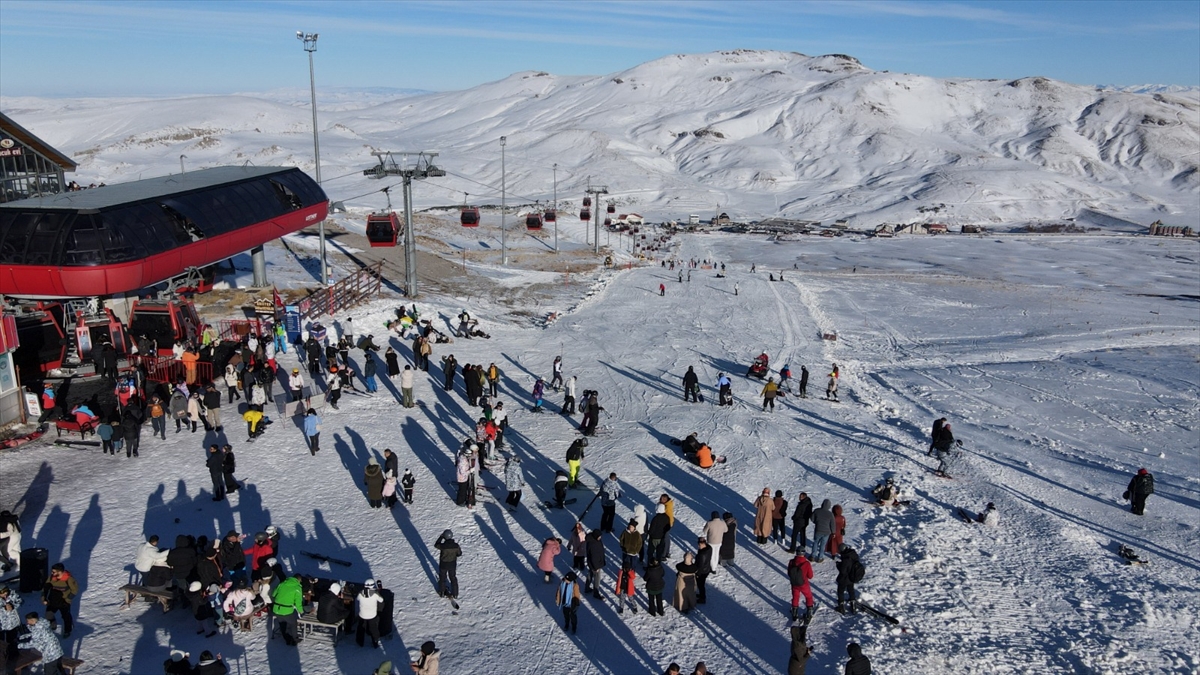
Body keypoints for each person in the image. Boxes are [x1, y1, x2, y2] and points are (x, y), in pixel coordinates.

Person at [271, 574, 305, 646]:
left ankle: (287, 638)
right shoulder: (297, 588)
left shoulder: (282, 584)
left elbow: (273, 594)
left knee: (282, 623)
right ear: (299, 580)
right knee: (293, 623)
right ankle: (295, 639)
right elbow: (298, 602)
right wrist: (301, 611)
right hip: (287, 610)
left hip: (276, 609)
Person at [357, 579, 385, 648]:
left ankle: (360, 642)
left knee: (361, 628)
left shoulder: (360, 593)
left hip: (362, 615)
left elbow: (357, 599)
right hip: (372, 615)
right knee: (374, 629)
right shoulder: (375, 594)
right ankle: (375, 642)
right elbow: (381, 600)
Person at [788, 551, 815, 621]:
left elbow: (789, 573)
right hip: (803, 584)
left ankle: (794, 612)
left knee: (795, 597)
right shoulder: (806, 563)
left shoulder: (791, 562)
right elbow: (810, 576)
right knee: (808, 596)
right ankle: (809, 611)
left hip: (794, 584)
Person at [836, 545, 862, 614]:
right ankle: (853, 605)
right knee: (851, 590)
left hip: (845, 579)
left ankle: (841, 606)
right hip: (852, 577)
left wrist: (838, 565)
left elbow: (843, 571)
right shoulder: (853, 554)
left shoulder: (846, 559)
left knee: (840, 591)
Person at [435, 530, 461, 599]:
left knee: (442, 578)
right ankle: (455, 594)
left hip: (443, 565)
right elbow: (459, 554)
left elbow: (436, 544)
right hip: (452, 565)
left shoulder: (443, 546)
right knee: (453, 578)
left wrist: (441, 537)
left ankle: (442, 592)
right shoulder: (456, 546)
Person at [585, 529, 606, 599]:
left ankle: (587, 588)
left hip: (591, 563)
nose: (600, 538)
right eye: (599, 536)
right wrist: (596, 567)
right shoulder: (593, 544)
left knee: (590, 574)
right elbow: (594, 557)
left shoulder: (592, 540)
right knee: (597, 578)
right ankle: (596, 592)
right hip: (595, 565)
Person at [694, 537, 713, 604]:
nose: (698, 546)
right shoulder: (709, 548)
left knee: (700, 585)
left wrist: (698, 574)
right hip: (707, 569)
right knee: (702, 584)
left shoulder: (702, 554)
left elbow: (700, 566)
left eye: (699, 545)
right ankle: (702, 595)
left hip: (702, 572)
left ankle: (702, 598)